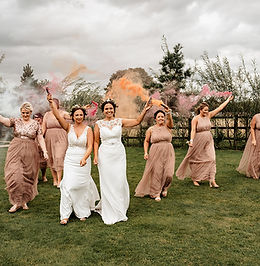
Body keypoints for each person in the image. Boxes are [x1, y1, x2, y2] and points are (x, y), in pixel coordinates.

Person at [93, 99, 151, 225]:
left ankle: (120, 206)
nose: (109, 110)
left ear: (114, 109)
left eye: (111, 108)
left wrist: (145, 110)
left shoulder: (120, 121)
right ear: (103, 111)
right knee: (107, 181)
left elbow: (137, 121)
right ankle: (109, 208)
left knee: (119, 180)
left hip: (118, 153)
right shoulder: (98, 124)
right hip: (105, 154)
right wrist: (95, 156)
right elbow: (96, 141)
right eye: (106, 109)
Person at [47, 94, 100, 225]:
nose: (79, 117)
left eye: (81, 115)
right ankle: (64, 215)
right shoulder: (68, 127)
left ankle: (82, 211)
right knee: (67, 185)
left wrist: (85, 158)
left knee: (81, 186)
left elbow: (90, 146)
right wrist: (51, 104)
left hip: (83, 160)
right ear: (73, 116)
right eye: (76, 115)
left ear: (84, 116)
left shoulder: (88, 130)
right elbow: (58, 116)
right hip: (70, 159)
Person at [0, 102, 48, 212]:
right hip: (15, 149)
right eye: (23, 113)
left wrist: (45, 151)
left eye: (27, 113)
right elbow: (3, 120)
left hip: (30, 151)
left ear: (31, 112)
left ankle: (24, 201)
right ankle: (16, 202)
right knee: (15, 175)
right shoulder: (16, 121)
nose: (25, 115)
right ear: (20, 112)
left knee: (28, 176)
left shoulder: (36, 124)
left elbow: (40, 138)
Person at [176, 95, 233, 187]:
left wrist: (227, 100)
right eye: (205, 110)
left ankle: (212, 180)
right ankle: (195, 178)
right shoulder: (196, 119)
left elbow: (220, 108)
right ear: (200, 110)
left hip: (208, 140)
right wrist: (191, 140)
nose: (206, 111)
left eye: (207, 110)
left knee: (212, 158)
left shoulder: (209, 115)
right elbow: (193, 130)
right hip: (198, 140)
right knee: (195, 159)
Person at [135, 107, 175, 201]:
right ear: (155, 118)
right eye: (159, 117)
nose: (161, 118)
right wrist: (145, 152)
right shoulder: (151, 129)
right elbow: (146, 141)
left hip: (168, 151)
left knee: (169, 173)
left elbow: (171, 122)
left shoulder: (168, 127)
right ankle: (156, 193)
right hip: (155, 152)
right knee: (157, 172)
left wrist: (168, 112)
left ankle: (165, 187)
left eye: (162, 116)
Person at [42, 98, 68, 188]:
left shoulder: (63, 113)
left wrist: (82, 109)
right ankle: (55, 179)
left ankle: (60, 180)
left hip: (61, 136)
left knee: (59, 156)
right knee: (51, 158)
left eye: (53, 103)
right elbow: (43, 128)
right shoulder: (47, 114)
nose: (51, 105)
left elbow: (73, 116)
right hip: (49, 137)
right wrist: (40, 138)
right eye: (50, 104)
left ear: (57, 104)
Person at [237, 113, 260, 179]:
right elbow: (252, 128)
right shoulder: (256, 116)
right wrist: (253, 139)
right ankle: (254, 172)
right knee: (255, 155)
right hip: (257, 138)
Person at [33, 113, 48, 182]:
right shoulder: (32, 126)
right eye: (35, 118)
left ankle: (43, 176)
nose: (37, 120)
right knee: (35, 162)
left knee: (43, 162)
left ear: (41, 118)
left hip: (43, 144)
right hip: (34, 145)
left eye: (38, 118)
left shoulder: (44, 126)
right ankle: (35, 177)